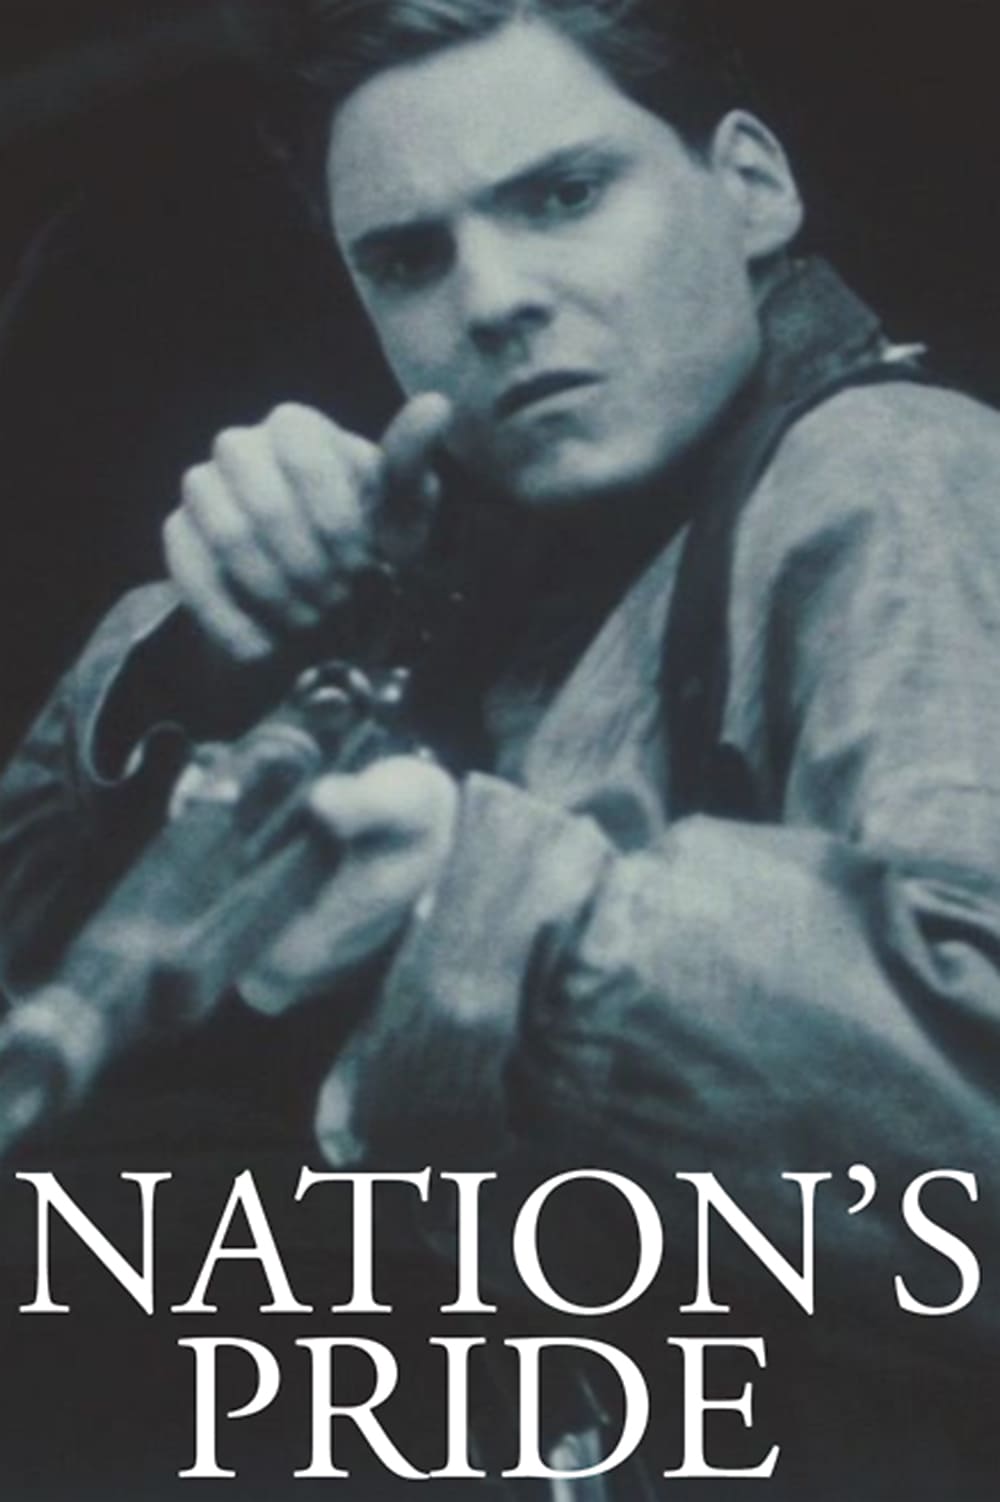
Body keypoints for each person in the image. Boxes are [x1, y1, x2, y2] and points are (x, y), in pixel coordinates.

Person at [2, 0, 1000, 1494]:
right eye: (409, 259)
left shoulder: (890, 471)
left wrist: (493, 901)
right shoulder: (505, 573)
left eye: (564, 195)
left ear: (750, 188)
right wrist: (212, 665)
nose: (491, 300)